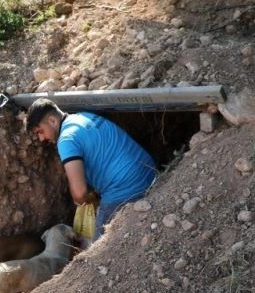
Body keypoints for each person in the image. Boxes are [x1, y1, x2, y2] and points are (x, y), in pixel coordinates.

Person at [25, 99, 156, 241]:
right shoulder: (83, 116)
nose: (42, 138)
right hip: (149, 172)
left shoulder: (66, 139)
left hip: (126, 190)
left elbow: (80, 193)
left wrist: (84, 202)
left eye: (41, 131)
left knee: (95, 254)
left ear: (52, 121)